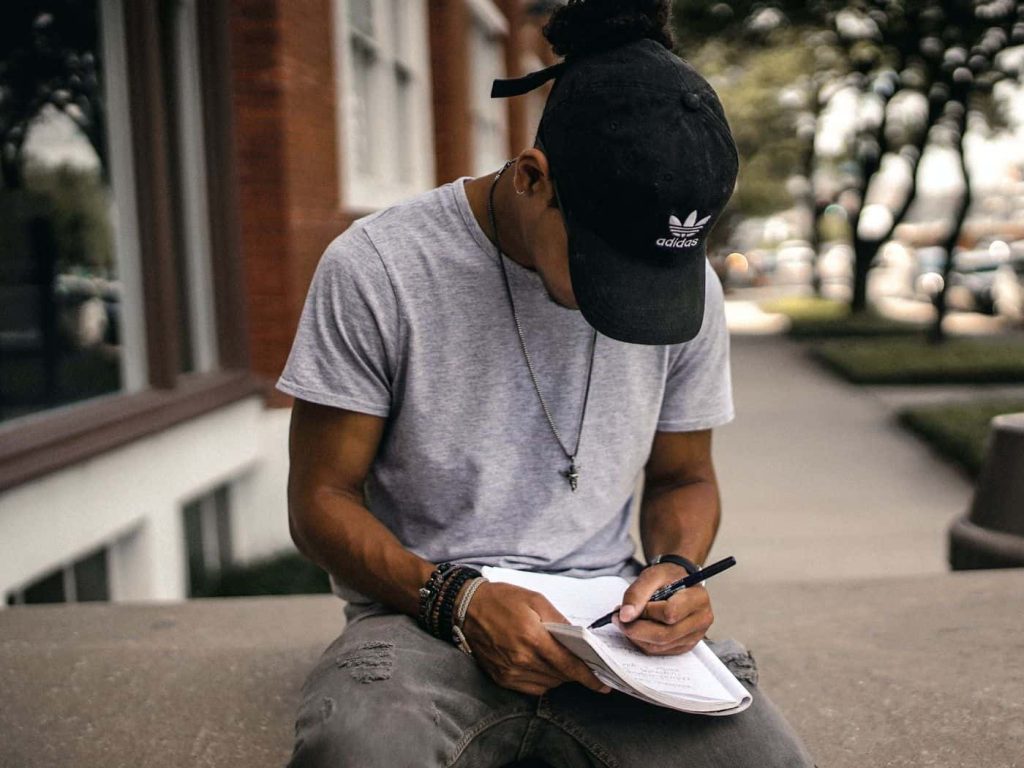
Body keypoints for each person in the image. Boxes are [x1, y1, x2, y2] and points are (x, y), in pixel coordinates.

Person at [276, 1, 815, 765]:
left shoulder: (691, 287)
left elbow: (685, 476)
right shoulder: (380, 267)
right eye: (608, 266)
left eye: (656, 269)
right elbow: (319, 502)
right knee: (362, 753)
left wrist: (674, 568)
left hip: (611, 629)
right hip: (422, 614)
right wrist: (456, 599)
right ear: (534, 179)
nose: (634, 297)